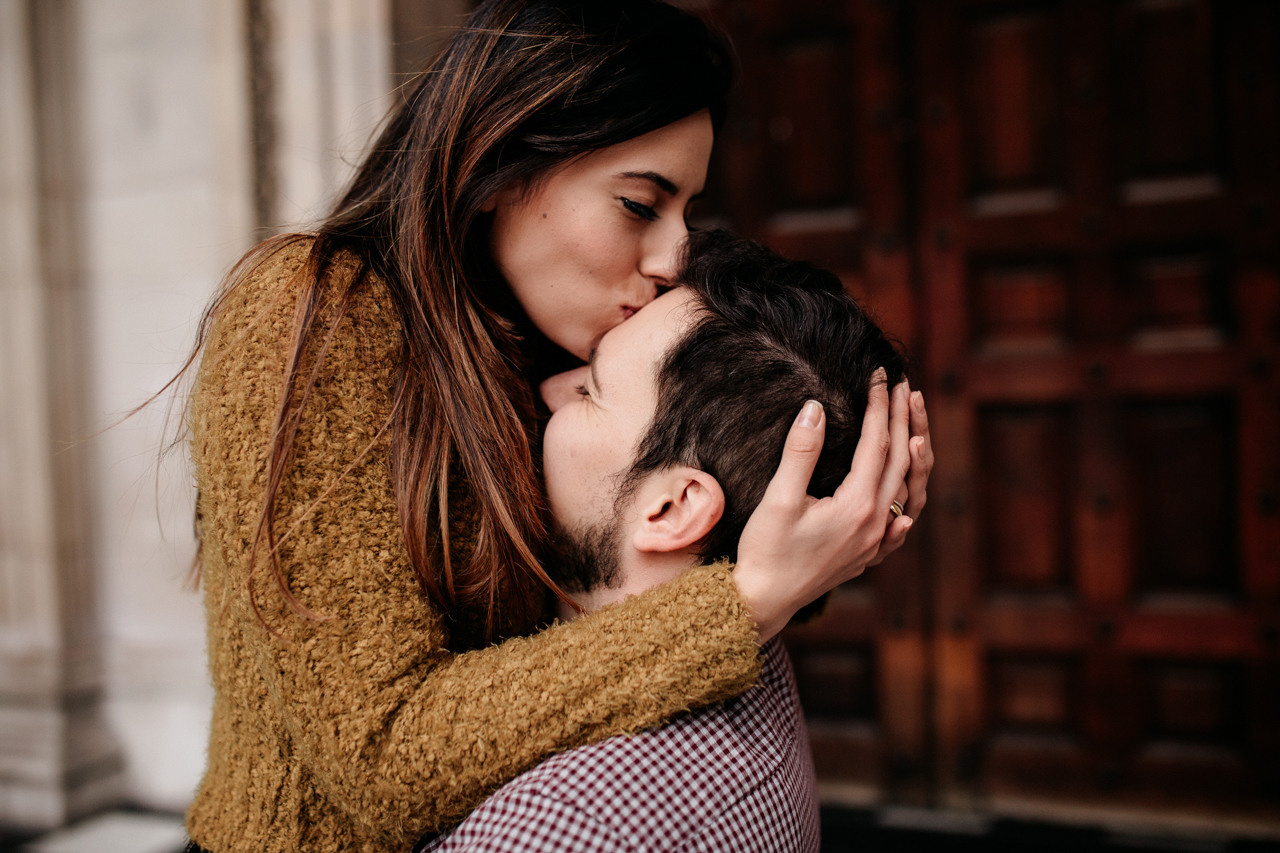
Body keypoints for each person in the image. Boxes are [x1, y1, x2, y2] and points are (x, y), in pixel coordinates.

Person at [182, 1, 933, 851]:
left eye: (685, 210)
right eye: (639, 204)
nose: (673, 255)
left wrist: (837, 512)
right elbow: (380, 760)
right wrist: (740, 604)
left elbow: (629, 574)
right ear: (503, 162)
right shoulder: (310, 316)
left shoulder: (542, 332)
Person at [416, 229, 908, 852]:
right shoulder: (760, 659)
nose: (547, 391)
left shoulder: (563, 824)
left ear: (673, 508)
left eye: (590, 391)